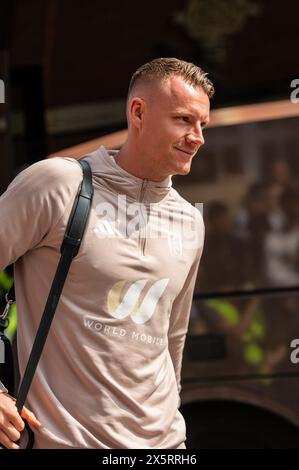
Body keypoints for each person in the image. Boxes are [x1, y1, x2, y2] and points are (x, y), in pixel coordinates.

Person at [0, 57, 213, 449]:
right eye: (184, 120)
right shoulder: (57, 184)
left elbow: (172, 338)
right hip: (66, 442)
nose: (197, 136)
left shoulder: (189, 221)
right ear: (138, 112)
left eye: (203, 124)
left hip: (166, 447)